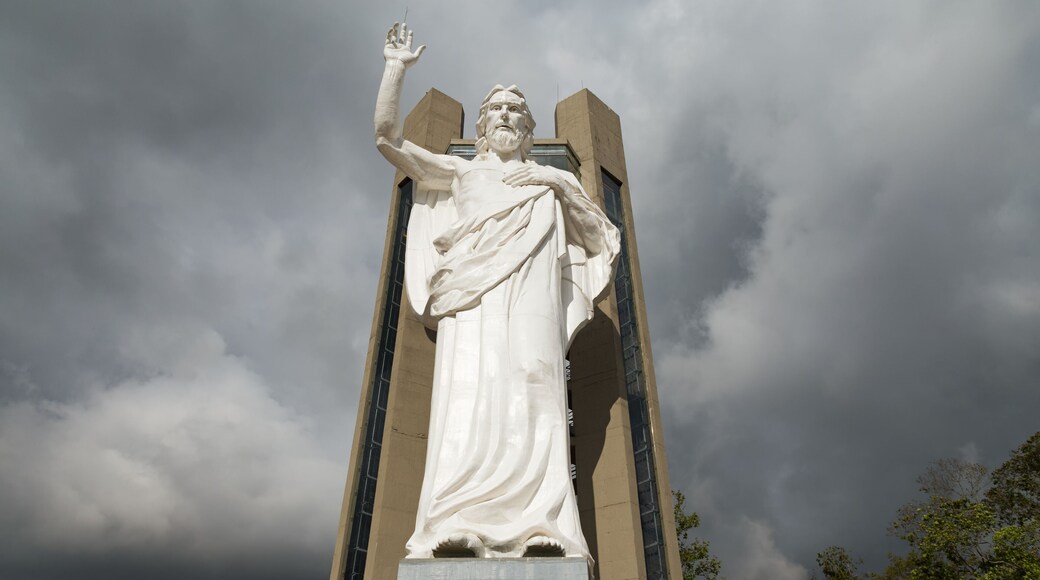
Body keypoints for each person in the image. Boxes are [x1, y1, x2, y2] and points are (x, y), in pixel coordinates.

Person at [375, 22, 619, 560]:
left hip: (532, 295)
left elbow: (599, 235)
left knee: (536, 390)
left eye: (515, 110)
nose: (506, 115)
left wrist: (556, 182)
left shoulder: (552, 181)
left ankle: (542, 525)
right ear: (484, 126)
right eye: (497, 110)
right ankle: (454, 521)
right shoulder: (461, 174)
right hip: (473, 299)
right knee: (470, 397)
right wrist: (395, 69)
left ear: (527, 128)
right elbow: (387, 139)